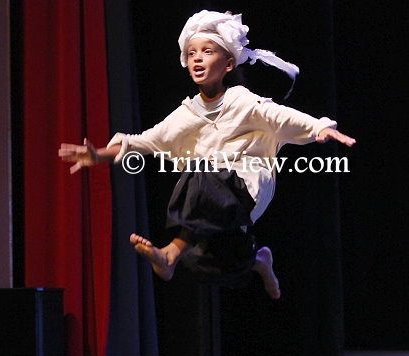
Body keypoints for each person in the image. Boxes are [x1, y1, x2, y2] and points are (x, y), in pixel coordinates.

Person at [59, 10, 356, 300]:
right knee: (207, 259)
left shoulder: (241, 100)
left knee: (200, 173)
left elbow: (279, 116)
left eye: (207, 51)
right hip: (215, 195)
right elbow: (144, 142)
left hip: (249, 183)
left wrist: (319, 127)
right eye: (191, 53)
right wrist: (98, 155)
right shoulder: (186, 114)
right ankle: (258, 261)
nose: (197, 58)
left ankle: (170, 253)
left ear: (228, 64)